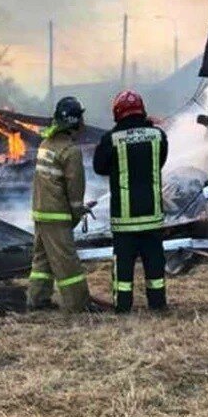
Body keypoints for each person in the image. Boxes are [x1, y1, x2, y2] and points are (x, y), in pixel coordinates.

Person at [93, 90, 169, 313]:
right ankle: (157, 304)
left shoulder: (111, 139)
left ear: (117, 112)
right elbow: (160, 161)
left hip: (125, 220)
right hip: (152, 216)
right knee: (154, 263)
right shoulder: (158, 136)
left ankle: (123, 307)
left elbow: (99, 167)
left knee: (124, 267)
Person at [27, 96, 97, 313]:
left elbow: (50, 182)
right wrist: (78, 211)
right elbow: (74, 191)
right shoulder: (70, 151)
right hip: (57, 216)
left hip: (40, 211)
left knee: (43, 259)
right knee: (68, 262)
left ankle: (37, 299)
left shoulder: (45, 144)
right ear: (76, 122)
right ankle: (79, 304)